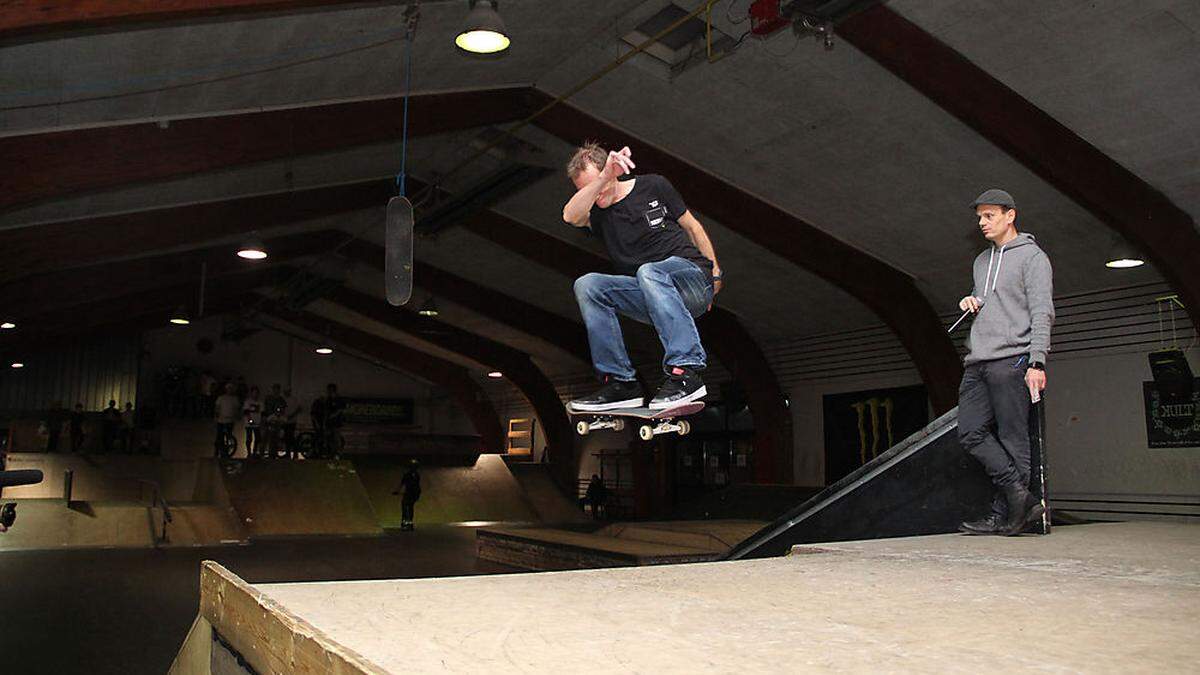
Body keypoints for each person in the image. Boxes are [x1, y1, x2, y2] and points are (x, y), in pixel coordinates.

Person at [562, 143, 722, 411]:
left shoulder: (654, 186)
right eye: (588, 189)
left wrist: (715, 275)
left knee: (649, 271)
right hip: (652, 294)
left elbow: (693, 227)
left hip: (689, 277)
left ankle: (686, 372)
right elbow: (570, 216)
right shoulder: (597, 214)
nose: (596, 194)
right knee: (588, 285)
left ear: (613, 172)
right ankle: (621, 383)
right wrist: (600, 181)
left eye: (600, 184)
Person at [956, 189, 1054, 537]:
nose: (982, 223)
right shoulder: (981, 261)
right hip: (978, 360)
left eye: (989, 216)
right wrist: (974, 301)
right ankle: (1020, 499)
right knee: (969, 431)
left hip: (1013, 358)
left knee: (1013, 438)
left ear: (1010, 215)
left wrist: (1037, 362)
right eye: (979, 217)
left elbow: (1042, 313)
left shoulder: (1033, 258)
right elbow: (993, 299)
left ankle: (1005, 514)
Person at [310, 383, 345, 455]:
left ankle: (337, 452)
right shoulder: (328, 399)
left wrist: (333, 415)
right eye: (328, 390)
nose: (329, 392)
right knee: (327, 437)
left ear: (334, 390)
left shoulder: (339, 399)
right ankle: (330, 452)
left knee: (336, 437)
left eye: (330, 390)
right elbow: (325, 410)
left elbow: (340, 410)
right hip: (328, 422)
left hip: (336, 422)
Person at [393, 460, 422, 531]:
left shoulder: (408, 474)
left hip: (410, 493)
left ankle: (405, 523)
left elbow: (402, 484)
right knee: (410, 507)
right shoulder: (416, 475)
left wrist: (397, 491)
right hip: (414, 493)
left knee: (405, 506)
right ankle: (409, 523)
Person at [213, 383, 240, 458]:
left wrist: (237, 416)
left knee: (229, 435)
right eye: (228, 389)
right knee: (219, 436)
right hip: (221, 420)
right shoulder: (221, 398)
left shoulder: (235, 399)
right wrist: (216, 417)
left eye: (231, 389)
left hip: (230, 420)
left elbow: (236, 409)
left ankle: (225, 451)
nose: (229, 390)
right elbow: (217, 408)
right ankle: (217, 450)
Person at [263, 384, 286, 457]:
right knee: (267, 437)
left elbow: (283, 409)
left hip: (277, 420)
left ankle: (273, 453)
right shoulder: (268, 398)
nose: (276, 391)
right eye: (275, 389)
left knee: (275, 437)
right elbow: (265, 408)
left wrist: (279, 415)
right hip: (268, 419)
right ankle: (264, 453)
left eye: (277, 389)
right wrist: (265, 418)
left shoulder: (281, 399)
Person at [242, 386, 263, 458]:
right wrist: (249, 420)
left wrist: (261, 421)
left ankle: (254, 451)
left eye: (256, 393)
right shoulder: (247, 402)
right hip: (249, 424)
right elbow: (246, 412)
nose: (255, 394)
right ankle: (249, 452)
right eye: (254, 393)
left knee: (258, 438)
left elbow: (262, 412)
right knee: (249, 438)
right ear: (251, 393)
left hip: (257, 423)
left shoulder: (260, 402)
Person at [281, 387, 301, 459]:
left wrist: (292, 416)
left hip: (292, 421)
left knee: (291, 437)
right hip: (285, 421)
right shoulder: (282, 399)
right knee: (287, 438)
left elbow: (299, 408)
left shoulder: (294, 399)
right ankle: (288, 454)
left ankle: (294, 453)